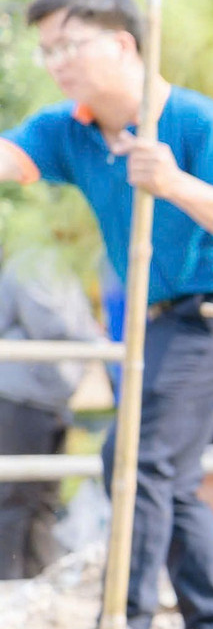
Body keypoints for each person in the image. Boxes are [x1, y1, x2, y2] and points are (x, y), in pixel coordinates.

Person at [0, 0, 213, 629]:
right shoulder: (71, 129)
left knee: (136, 455)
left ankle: (123, 621)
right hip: (161, 322)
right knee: (168, 479)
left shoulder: (197, 121)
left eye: (68, 44)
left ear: (121, 44)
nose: (55, 62)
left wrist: (174, 182)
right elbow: (9, 159)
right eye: (47, 50)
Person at [0, 245, 101, 579]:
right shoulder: (34, 259)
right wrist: (96, 340)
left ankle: (36, 578)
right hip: (21, 398)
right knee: (17, 498)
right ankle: (10, 582)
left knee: (41, 498)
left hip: (48, 398)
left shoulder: (56, 260)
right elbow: (53, 326)